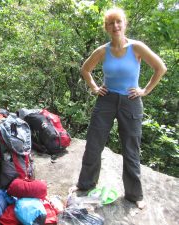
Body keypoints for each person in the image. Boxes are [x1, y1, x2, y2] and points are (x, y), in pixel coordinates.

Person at [71, 7, 167, 209]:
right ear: (106, 27)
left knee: (131, 149)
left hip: (131, 101)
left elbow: (160, 67)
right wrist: (96, 88)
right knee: (94, 143)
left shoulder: (136, 47)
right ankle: (85, 184)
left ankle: (134, 195)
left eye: (118, 22)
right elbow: (85, 69)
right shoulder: (102, 51)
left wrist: (145, 90)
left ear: (124, 24)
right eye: (111, 23)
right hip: (106, 100)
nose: (115, 26)